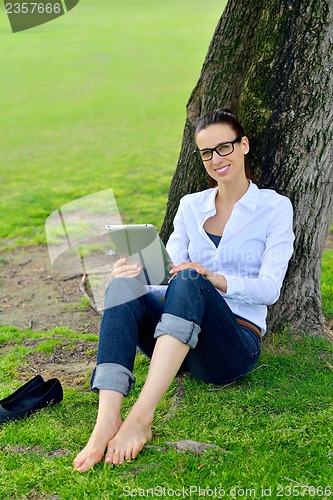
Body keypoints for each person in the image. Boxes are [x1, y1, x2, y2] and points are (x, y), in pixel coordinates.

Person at [73, 108, 294, 472]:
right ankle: (106, 421)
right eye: (207, 153)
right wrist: (133, 274)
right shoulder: (191, 206)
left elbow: (270, 289)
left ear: (244, 146)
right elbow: (167, 275)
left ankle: (141, 418)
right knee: (124, 285)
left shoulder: (273, 207)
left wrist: (213, 277)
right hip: (177, 345)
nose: (216, 160)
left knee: (192, 279)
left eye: (224, 148)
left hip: (233, 344)